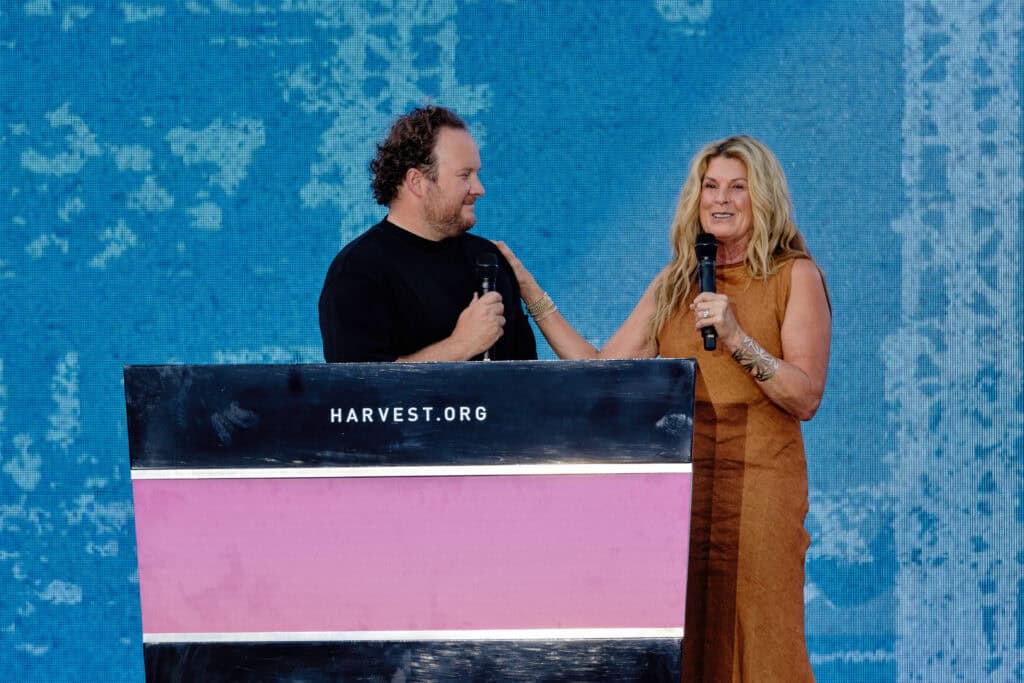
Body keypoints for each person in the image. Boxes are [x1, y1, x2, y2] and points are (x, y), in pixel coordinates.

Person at [496, 135, 830, 681]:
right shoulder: (675, 282)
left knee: (762, 637)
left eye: (738, 187)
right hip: (682, 494)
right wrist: (532, 295)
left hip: (761, 491)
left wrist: (735, 336)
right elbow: (601, 372)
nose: (720, 199)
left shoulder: (796, 276)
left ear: (762, 198)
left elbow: (805, 394)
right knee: (684, 641)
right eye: (710, 186)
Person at [319, 105, 536, 363]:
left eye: (477, 174)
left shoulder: (488, 260)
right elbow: (358, 392)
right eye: (465, 175)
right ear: (417, 182)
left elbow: (526, 380)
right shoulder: (358, 273)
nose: (479, 189)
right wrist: (460, 346)